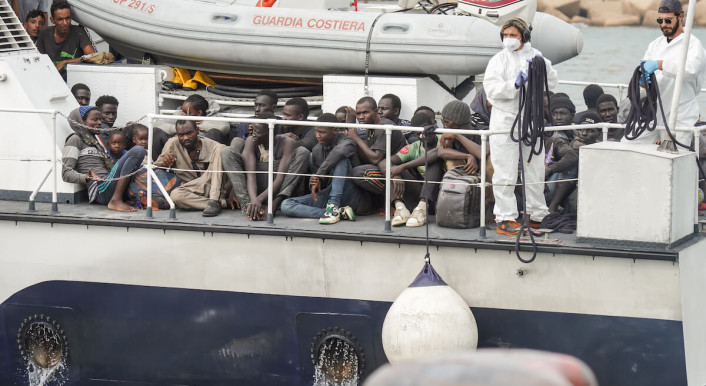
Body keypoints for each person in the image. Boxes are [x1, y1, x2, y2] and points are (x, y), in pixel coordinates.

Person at [483, 17, 557, 236]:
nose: (509, 40)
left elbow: (551, 84)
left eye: (513, 35)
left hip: (531, 119)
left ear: (524, 36)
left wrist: (544, 69)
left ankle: (537, 215)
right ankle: (505, 218)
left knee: (534, 169)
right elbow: (492, 90)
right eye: (505, 36)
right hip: (505, 120)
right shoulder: (498, 60)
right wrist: (514, 84)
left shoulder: (537, 57)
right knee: (504, 171)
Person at [635, 0, 706, 146]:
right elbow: (643, 72)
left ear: (680, 16)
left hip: (681, 115)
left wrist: (659, 64)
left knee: (677, 157)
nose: (663, 24)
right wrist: (642, 82)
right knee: (631, 143)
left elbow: (690, 70)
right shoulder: (655, 45)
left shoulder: (693, 44)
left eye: (668, 20)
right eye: (660, 20)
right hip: (654, 113)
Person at [281, 113, 371, 224]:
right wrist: (314, 182)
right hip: (328, 193)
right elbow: (320, 182)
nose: (317, 135)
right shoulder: (317, 150)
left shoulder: (348, 141)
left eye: (322, 132)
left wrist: (318, 174)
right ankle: (336, 213)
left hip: (352, 193)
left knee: (341, 159)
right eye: (316, 131)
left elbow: (338, 153)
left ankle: (333, 206)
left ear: (335, 130)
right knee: (286, 205)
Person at [221, 112, 310, 221]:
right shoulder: (251, 141)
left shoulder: (287, 143)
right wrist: (254, 200)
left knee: (303, 152)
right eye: (252, 130)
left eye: (257, 132)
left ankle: (274, 205)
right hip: (257, 187)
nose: (253, 134)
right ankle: (249, 207)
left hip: (278, 189)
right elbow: (251, 176)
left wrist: (262, 201)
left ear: (269, 132)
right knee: (226, 152)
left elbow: (280, 178)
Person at [61, 106, 146, 212]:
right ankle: (115, 200)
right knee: (138, 150)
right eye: (95, 119)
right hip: (99, 189)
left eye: (100, 119)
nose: (100, 122)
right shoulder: (75, 139)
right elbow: (66, 173)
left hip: (108, 181)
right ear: (81, 122)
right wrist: (87, 177)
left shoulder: (97, 143)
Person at [154, 119, 228, 217]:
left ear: (197, 131)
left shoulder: (213, 146)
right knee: (175, 196)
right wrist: (165, 164)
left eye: (189, 133)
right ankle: (220, 204)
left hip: (214, 185)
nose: (185, 138)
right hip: (191, 189)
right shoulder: (173, 143)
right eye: (180, 135)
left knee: (221, 148)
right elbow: (155, 168)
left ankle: (214, 200)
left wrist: (233, 192)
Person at [385, 111, 444, 227]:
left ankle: (422, 209)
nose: (424, 136)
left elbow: (434, 154)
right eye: (419, 134)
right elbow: (386, 161)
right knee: (393, 170)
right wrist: (396, 174)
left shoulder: (444, 140)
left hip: (442, 195)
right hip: (422, 193)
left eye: (426, 130)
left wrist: (403, 166)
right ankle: (401, 209)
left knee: (433, 163)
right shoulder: (414, 147)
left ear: (433, 124)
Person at [348, 97, 406, 204]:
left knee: (358, 173)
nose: (361, 117)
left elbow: (375, 159)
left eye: (365, 113)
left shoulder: (383, 126)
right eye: (358, 113)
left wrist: (355, 137)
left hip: (400, 171)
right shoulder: (370, 127)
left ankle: (393, 201)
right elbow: (368, 158)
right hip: (386, 169)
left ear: (376, 112)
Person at [35, 1, 95, 80]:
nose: (65, 23)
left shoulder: (79, 32)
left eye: (67, 18)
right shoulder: (45, 34)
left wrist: (66, 62)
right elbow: (39, 60)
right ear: (52, 20)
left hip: (74, 81)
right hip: (51, 79)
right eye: (60, 19)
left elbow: (92, 56)